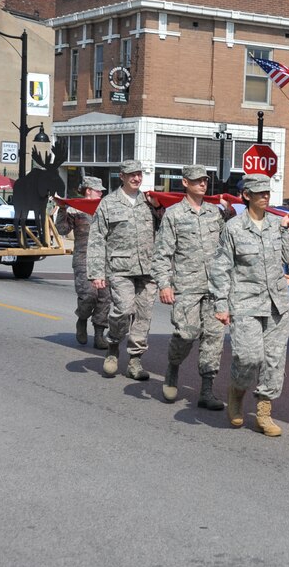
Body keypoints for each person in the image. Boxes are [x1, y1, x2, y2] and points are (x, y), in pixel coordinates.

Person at [210, 175, 289, 437]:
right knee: (248, 357)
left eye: (267, 192)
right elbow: (221, 267)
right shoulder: (234, 228)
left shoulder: (276, 224)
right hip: (245, 303)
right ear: (246, 195)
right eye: (259, 193)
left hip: (276, 304)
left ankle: (263, 413)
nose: (265, 196)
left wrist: (285, 230)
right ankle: (236, 392)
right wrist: (221, 304)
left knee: (273, 362)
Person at [151, 164, 233, 409]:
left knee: (214, 338)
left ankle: (206, 390)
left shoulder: (216, 213)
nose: (202, 184)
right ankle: (173, 367)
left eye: (205, 180)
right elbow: (162, 253)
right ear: (185, 182)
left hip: (215, 288)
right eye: (197, 180)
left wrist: (231, 214)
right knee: (186, 334)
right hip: (186, 286)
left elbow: (227, 245)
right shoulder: (174, 214)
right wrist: (164, 284)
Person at [87, 160, 164, 380]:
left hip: (148, 269)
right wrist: (97, 273)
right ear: (121, 176)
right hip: (120, 268)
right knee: (123, 309)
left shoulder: (149, 202)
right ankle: (112, 347)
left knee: (143, 315)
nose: (136, 178)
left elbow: (166, 228)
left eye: (139, 174)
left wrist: (158, 207)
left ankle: (135, 361)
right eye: (131, 174)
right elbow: (97, 239)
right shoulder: (108, 203)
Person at [54, 176, 110, 350]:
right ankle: (82, 318)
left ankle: (99, 334)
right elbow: (62, 230)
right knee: (88, 295)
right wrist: (62, 209)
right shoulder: (74, 210)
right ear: (88, 191)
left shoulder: (106, 209)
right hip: (83, 258)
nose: (101, 193)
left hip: (104, 259)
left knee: (104, 297)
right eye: (98, 190)